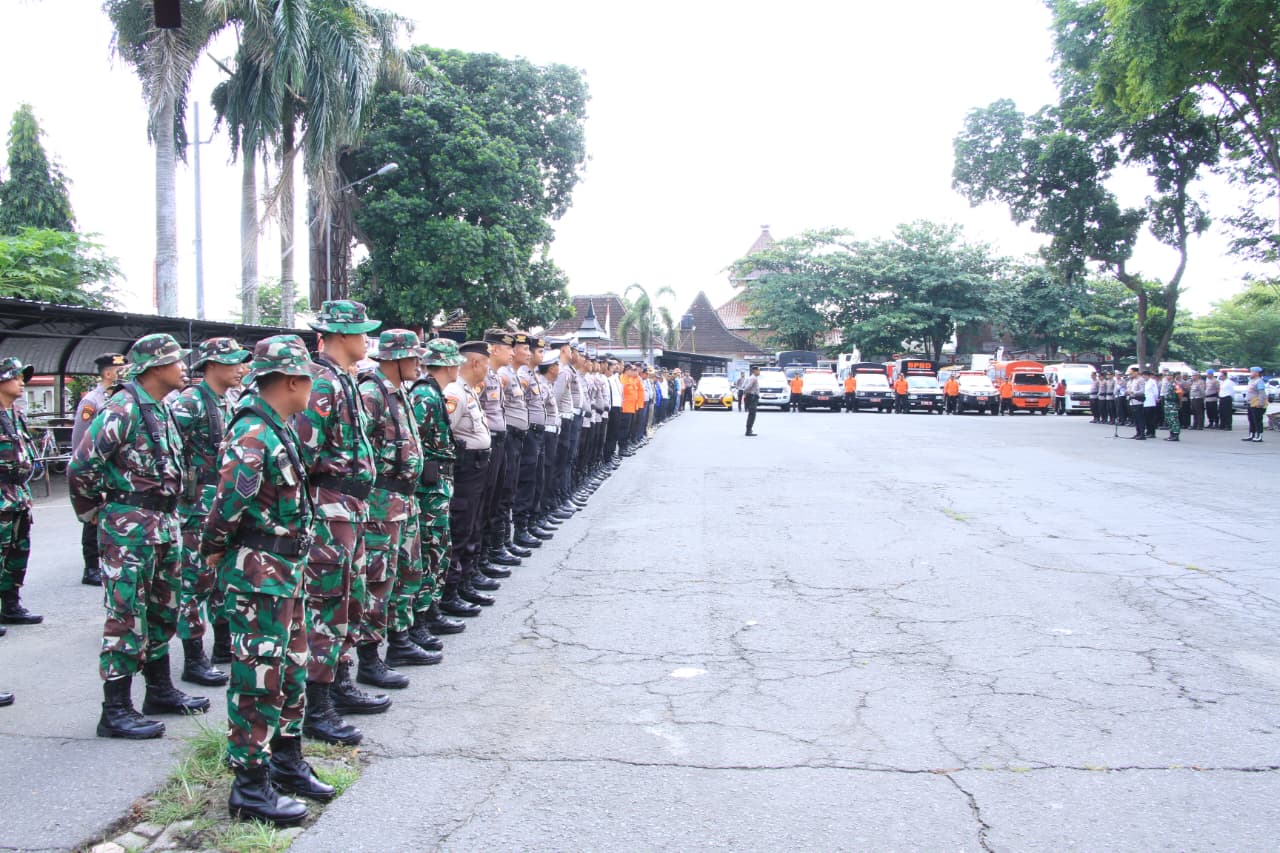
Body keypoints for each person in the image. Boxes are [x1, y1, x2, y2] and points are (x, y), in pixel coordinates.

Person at [199, 335, 331, 826]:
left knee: (291, 670)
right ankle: (250, 786)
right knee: (258, 679)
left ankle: (286, 762)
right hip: (260, 575)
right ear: (292, 381)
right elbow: (227, 505)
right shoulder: (253, 431)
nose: (313, 387)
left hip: (284, 573)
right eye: (309, 380)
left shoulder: (277, 426)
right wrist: (213, 548)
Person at [69, 333, 209, 740]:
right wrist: (95, 513)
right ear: (154, 367)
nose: (183, 367)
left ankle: (159, 690)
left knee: (163, 610)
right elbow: (82, 467)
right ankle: (115, 709)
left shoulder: (160, 408)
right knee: (127, 616)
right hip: (129, 528)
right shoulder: (123, 408)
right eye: (176, 361)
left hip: (163, 524)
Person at [293, 300, 381, 745]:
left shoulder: (343, 378)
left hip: (350, 507)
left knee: (349, 599)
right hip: (329, 508)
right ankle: (317, 706)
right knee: (326, 603)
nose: (366, 339)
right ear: (340, 335)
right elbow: (301, 455)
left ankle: (340, 682)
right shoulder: (321, 383)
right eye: (361, 332)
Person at [170, 337, 251, 688]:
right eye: (233, 362)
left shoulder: (230, 399)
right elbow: (168, 448)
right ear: (212, 365)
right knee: (196, 581)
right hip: (198, 502)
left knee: (222, 579)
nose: (240, 368)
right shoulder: (190, 402)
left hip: (222, 500)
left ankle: (222, 644)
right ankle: (193, 658)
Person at [357, 330, 435, 682]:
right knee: (378, 580)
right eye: (414, 357)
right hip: (381, 502)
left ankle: (400, 640)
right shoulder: (371, 393)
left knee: (408, 572)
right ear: (396, 358)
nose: (419, 363)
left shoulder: (398, 391)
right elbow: (360, 450)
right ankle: (369, 657)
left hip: (405, 499)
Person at [406, 339, 466, 646]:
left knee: (439, 549)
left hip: (438, 484)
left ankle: (431, 610)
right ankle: (419, 619)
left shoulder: (434, 394)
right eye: (455, 363)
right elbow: (414, 442)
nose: (458, 368)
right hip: (428, 487)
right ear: (447, 364)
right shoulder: (425, 396)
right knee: (430, 551)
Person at [442, 341, 493, 618]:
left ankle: (465, 581)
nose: (488, 368)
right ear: (475, 363)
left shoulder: (468, 390)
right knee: (460, 528)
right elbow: (442, 435)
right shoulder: (454, 393)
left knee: (471, 525)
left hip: (476, 468)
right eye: (485, 363)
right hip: (465, 470)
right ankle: (451, 591)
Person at [72, 352, 127, 586]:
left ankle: (107, 562)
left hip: (112, 468)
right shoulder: (92, 401)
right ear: (108, 373)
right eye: (120, 370)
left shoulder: (120, 397)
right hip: (96, 467)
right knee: (91, 519)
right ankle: (91, 567)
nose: (124, 373)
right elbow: (80, 439)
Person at [0, 358, 39, 641]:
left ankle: (10, 605)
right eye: (16, 377)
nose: (22, 382)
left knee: (17, 552)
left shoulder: (16, 415)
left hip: (18, 496)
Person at [1244, 366, 1267, 442]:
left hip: (1256, 403)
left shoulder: (1259, 381)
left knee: (1257, 420)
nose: (1250, 373)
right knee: (1251, 419)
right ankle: (1251, 434)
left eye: (1252, 372)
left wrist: (1260, 403)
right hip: (1250, 403)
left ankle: (1259, 435)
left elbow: (1261, 393)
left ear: (1257, 373)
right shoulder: (1251, 381)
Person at [1161, 371, 1182, 442]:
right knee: (1168, 419)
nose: (1168, 376)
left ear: (1173, 376)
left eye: (1170, 375)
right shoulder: (1168, 383)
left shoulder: (1175, 384)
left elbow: (1179, 393)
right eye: (1167, 375)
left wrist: (1179, 402)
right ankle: (1171, 434)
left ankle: (1176, 435)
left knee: (1174, 419)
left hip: (1173, 403)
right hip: (1167, 403)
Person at [1127, 368, 1146, 440]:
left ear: (1136, 372)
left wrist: (1133, 392)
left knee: (1140, 418)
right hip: (1132, 401)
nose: (1130, 374)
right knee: (1135, 419)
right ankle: (1138, 433)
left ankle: (1142, 434)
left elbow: (1142, 391)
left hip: (1138, 401)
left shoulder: (1140, 380)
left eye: (1131, 373)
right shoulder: (1132, 380)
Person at [742, 365, 760, 436]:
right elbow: (748, 387)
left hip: (751, 396)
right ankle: (748, 430)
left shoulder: (750, 377)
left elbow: (743, 386)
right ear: (754, 371)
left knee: (751, 414)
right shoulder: (753, 378)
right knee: (752, 414)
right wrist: (745, 392)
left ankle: (749, 429)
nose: (759, 372)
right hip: (752, 397)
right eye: (758, 370)